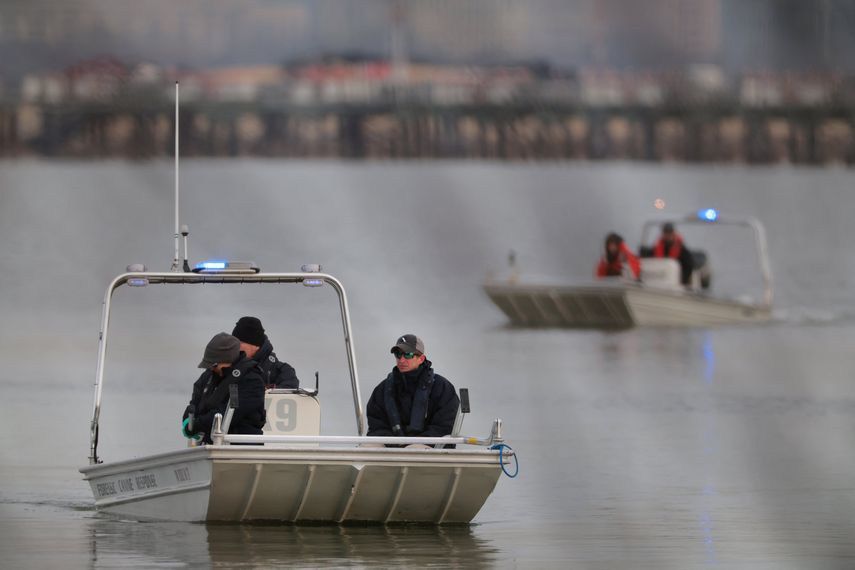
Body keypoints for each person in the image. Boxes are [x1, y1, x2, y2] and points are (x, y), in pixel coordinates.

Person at [366, 334, 460, 445]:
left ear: (421, 359)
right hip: (391, 447)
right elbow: (377, 426)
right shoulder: (382, 389)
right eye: (398, 354)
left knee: (414, 451)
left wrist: (417, 444)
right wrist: (395, 446)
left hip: (430, 447)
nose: (401, 360)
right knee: (367, 447)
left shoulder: (442, 388)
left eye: (408, 355)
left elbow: (445, 426)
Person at [181, 332, 266, 444]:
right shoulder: (208, 377)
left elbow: (230, 413)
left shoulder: (252, 381)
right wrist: (188, 420)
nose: (211, 369)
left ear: (228, 360)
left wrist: (197, 425)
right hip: (210, 443)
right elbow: (195, 403)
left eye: (214, 365)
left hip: (242, 445)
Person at [231, 316, 299, 389]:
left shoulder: (283, 371)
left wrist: (264, 391)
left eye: (239, 343)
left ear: (256, 346)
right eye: (232, 343)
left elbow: (290, 388)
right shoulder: (226, 367)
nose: (233, 347)